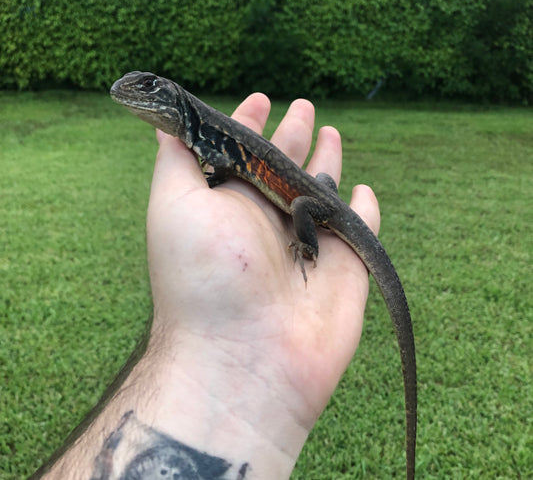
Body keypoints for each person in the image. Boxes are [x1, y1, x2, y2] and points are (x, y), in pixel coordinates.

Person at [31, 93, 380, 480]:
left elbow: (228, 163)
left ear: (173, 104)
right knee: (309, 194)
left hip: (316, 206)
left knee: (299, 206)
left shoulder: (204, 134)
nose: (134, 96)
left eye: (147, 90)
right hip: (321, 195)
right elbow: (230, 163)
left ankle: (309, 246)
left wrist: (303, 236)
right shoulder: (202, 132)